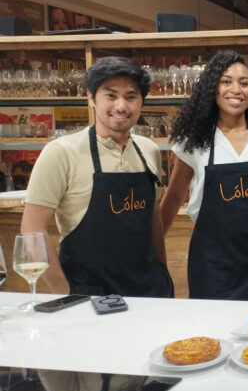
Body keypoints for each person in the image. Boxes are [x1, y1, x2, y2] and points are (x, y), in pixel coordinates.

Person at [21, 57, 172, 297]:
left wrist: (164, 273)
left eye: (131, 96)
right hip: (87, 295)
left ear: (142, 101)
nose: (121, 106)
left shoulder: (149, 150)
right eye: (110, 96)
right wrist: (63, 291)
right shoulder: (61, 152)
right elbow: (32, 229)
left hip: (149, 293)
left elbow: (153, 218)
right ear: (91, 97)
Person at [159, 50, 248, 300]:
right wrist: (152, 253)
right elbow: (172, 199)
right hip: (212, 262)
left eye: (244, 83)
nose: (235, 89)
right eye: (226, 81)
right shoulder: (193, 140)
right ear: (212, 88)